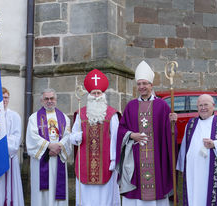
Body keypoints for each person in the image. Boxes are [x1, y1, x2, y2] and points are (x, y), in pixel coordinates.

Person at [116, 60, 177, 206]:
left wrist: (172, 123)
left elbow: (169, 134)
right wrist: (131, 135)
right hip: (136, 156)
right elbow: (121, 129)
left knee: (157, 185)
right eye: (139, 84)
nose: (142, 87)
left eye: (145, 83)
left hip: (157, 158)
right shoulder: (131, 106)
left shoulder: (162, 105)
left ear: (151, 85)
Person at [176, 94, 217, 206]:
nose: (203, 108)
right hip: (194, 172)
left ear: (213, 106)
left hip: (214, 172)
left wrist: (215, 144)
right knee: (196, 197)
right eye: (200, 105)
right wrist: (182, 167)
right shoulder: (191, 124)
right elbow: (185, 147)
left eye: (206, 105)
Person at [70, 69, 121, 206]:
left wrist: (114, 160)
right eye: (94, 93)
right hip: (85, 161)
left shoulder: (112, 114)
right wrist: (77, 137)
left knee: (105, 197)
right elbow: (72, 135)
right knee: (86, 197)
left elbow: (116, 138)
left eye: (99, 93)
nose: (96, 96)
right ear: (89, 95)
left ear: (103, 95)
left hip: (106, 162)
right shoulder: (81, 113)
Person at [26, 88, 72, 206]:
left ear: (56, 100)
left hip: (58, 158)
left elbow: (68, 136)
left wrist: (59, 147)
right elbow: (32, 137)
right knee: (41, 193)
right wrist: (49, 146)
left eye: (52, 98)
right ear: (41, 100)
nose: (49, 101)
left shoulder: (64, 118)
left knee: (57, 188)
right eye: (46, 99)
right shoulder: (33, 118)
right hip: (41, 160)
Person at [0, 87, 24, 206]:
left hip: (7, 157)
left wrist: (0, 143)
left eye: (6, 97)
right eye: (1, 98)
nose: (4, 100)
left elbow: (16, 138)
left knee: (7, 188)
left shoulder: (14, 116)